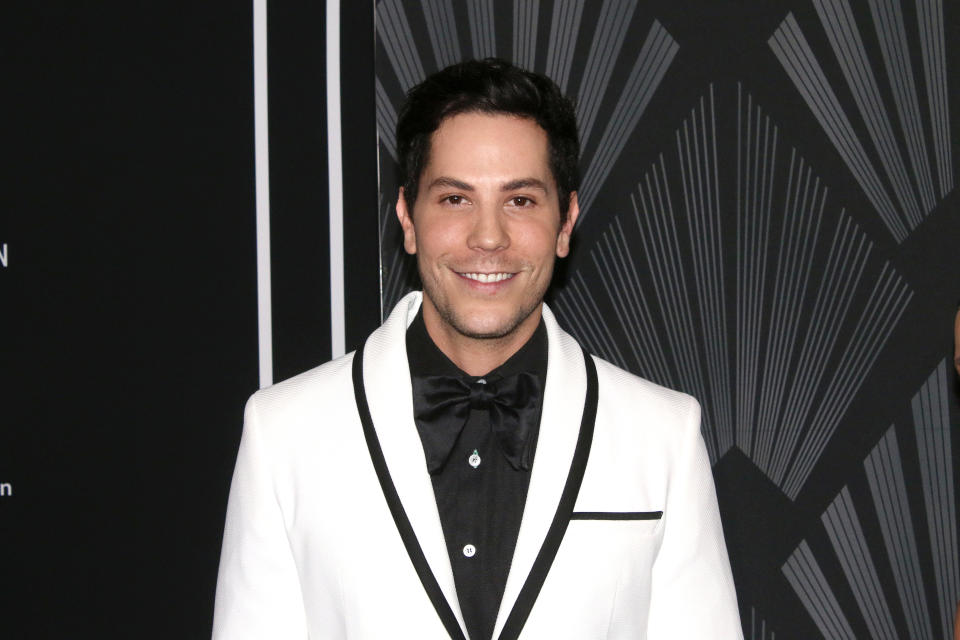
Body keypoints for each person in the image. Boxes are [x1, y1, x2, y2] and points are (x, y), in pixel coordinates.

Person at [212, 58, 742, 639]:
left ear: (566, 222)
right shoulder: (284, 432)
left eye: (520, 200)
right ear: (407, 218)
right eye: (455, 199)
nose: (488, 237)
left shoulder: (661, 435)